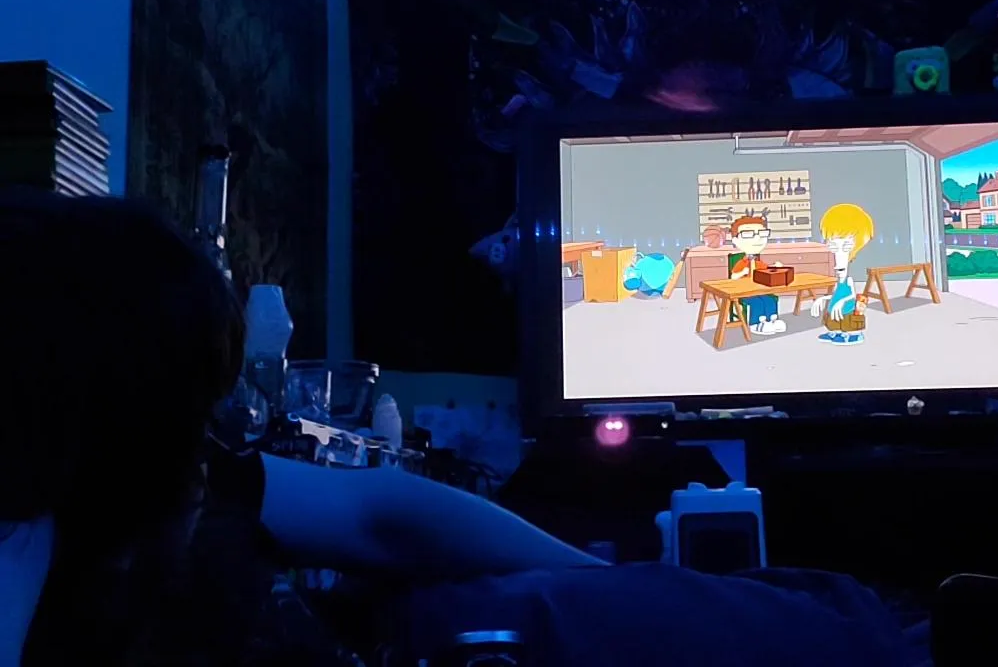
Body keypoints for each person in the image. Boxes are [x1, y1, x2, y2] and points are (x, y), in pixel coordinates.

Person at [0, 190, 604, 666]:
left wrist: (609, 582)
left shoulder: (174, 472)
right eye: (183, 416)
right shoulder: (38, 539)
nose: (202, 459)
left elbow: (377, 513)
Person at [809, 204, 875, 344]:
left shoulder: (848, 280)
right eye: (833, 245)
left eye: (846, 245)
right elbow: (835, 294)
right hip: (835, 309)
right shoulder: (838, 280)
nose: (838, 252)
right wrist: (822, 299)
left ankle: (851, 335)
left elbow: (852, 296)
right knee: (833, 321)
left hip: (846, 310)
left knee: (846, 322)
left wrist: (841, 302)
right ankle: (834, 332)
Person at [727, 215, 786, 335]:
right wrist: (742, 272)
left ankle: (772, 320)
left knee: (770, 300)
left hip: (758, 290)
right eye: (748, 234)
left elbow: (766, 269)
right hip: (744, 292)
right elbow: (733, 277)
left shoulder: (758, 262)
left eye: (762, 233)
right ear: (736, 240)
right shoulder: (741, 262)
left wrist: (775, 266)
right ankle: (755, 323)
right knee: (757, 303)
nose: (757, 239)